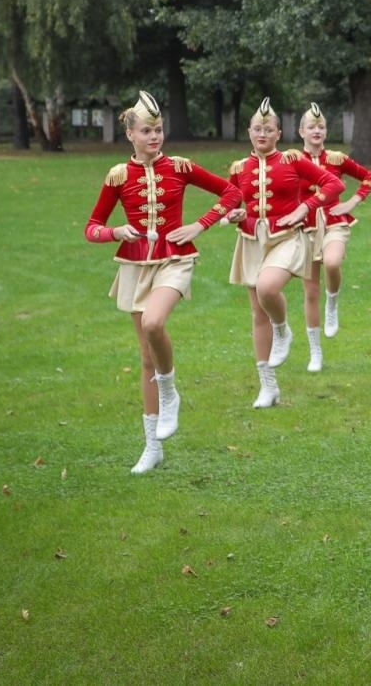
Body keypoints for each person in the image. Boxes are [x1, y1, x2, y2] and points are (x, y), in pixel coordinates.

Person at [84, 92, 240, 473]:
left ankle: (170, 390)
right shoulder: (118, 176)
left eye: (158, 130)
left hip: (175, 259)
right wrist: (116, 231)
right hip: (135, 265)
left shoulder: (182, 167)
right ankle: (152, 445)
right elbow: (91, 228)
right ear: (131, 135)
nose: (155, 137)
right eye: (147, 131)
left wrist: (199, 225)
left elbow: (233, 192)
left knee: (155, 322)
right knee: (144, 358)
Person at [224, 99, 343, 409]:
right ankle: (268, 386)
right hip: (251, 239)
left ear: (278, 133)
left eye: (269, 129)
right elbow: (231, 200)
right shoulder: (239, 168)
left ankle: (283, 329)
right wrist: (232, 214)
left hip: (288, 237)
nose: (262, 134)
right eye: (257, 129)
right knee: (256, 312)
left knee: (268, 288)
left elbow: (332, 183)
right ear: (249, 132)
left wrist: (305, 207)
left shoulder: (292, 160)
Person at [287, 102, 371, 372]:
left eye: (321, 126)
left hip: (335, 222)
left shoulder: (337, 158)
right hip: (305, 227)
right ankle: (315, 351)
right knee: (310, 291)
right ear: (301, 131)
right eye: (311, 126)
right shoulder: (292, 159)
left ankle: (334, 299)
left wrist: (351, 203)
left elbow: (369, 178)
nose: (317, 130)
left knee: (333, 262)